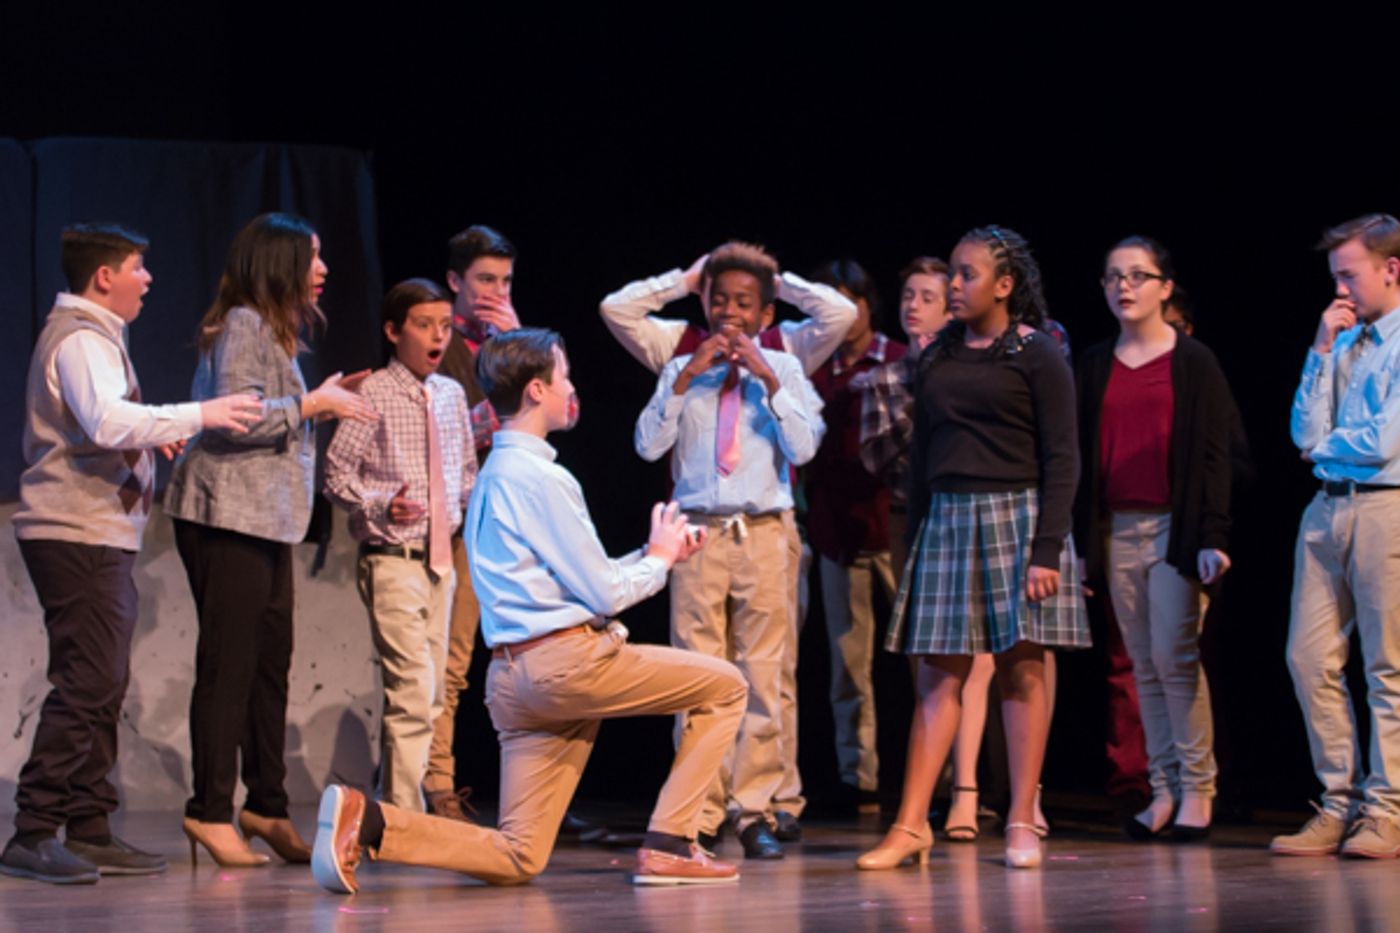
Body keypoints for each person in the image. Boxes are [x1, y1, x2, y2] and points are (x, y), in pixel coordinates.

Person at [311, 328, 749, 891]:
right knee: (727, 686)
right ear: (539, 390)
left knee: (519, 855)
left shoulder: (494, 474)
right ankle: (670, 841)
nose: (573, 388)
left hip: (516, 679)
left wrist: (653, 554)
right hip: (566, 665)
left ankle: (368, 820)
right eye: (565, 376)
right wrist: (659, 563)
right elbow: (604, 595)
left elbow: (568, 578)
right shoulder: (541, 477)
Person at [0, 223, 261, 885]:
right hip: (75, 530)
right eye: (138, 267)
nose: (148, 280)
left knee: (103, 682)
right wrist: (199, 415)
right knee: (88, 681)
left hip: (95, 532)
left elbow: (110, 427)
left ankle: (87, 826)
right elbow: (107, 421)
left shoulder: (97, 336)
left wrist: (153, 438)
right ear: (104, 276)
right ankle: (33, 830)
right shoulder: (84, 338)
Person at [601, 242, 855, 839]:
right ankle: (700, 807)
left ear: (766, 315)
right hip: (696, 534)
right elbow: (646, 445)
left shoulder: (787, 363)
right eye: (720, 301)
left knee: (763, 673)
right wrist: (686, 377)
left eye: (745, 303)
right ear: (706, 305)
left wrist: (768, 376)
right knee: (698, 673)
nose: (731, 314)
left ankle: (755, 807)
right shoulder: (681, 363)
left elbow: (805, 447)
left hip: (765, 530)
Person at [857, 226, 1087, 872]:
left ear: (1004, 285)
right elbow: (924, 456)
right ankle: (909, 825)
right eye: (952, 274)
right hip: (948, 522)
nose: (953, 286)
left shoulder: (1038, 354)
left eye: (966, 275)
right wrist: (921, 541)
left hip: (1020, 516)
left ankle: (1019, 818)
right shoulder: (938, 355)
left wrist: (1048, 549)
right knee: (937, 679)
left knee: (1022, 667)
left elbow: (1062, 456)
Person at [164, 212, 377, 867]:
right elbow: (232, 418)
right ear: (279, 263)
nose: (323, 269)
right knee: (228, 665)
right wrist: (313, 405)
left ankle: (266, 804)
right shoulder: (243, 326)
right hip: (225, 513)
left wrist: (320, 398)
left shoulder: (275, 335)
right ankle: (208, 810)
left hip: (266, 518)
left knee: (269, 664)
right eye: (311, 257)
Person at [1073, 236, 1235, 841]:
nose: (1125, 287)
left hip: (1174, 528)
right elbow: (1082, 460)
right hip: (1117, 528)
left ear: (1165, 287)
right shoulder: (1094, 363)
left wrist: (1212, 535)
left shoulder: (1193, 362)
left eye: (1139, 276)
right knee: (1141, 663)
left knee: (1175, 660)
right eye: (1114, 277)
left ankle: (1199, 788)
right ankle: (1162, 788)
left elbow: (1215, 456)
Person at [324, 278, 477, 812]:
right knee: (412, 692)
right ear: (393, 331)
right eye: (423, 325)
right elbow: (336, 474)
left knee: (432, 696)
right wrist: (381, 505)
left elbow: (464, 474)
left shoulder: (451, 395)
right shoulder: (373, 393)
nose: (438, 336)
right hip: (393, 560)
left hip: (441, 563)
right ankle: (401, 820)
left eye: (445, 326)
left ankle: (393, 814)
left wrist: (463, 514)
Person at [1274, 213, 1400, 859]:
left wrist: (1324, 447)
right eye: (1335, 279)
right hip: (1325, 509)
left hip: (1387, 508)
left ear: (1391, 268)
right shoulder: (1344, 337)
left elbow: (1382, 442)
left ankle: (1386, 811)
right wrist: (1321, 348)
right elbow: (1302, 428)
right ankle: (1337, 802)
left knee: (1387, 666)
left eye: (1349, 276)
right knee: (1308, 657)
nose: (1341, 292)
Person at [422, 224, 517, 820]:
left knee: (524, 661)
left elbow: (569, 408)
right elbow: (455, 431)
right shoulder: (437, 342)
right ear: (456, 281)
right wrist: (507, 379)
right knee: (449, 663)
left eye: (505, 281)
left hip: (510, 519)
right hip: (457, 522)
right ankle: (435, 787)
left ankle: (533, 794)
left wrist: (516, 345)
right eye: (485, 279)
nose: (495, 292)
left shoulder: (510, 338)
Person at [805, 259, 905, 812]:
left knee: (925, 662)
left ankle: (936, 779)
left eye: (851, 303)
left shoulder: (897, 358)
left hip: (893, 528)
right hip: (836, 533)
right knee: (848, 665)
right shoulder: (814, 364)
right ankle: (857, 777)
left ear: (869, 306)